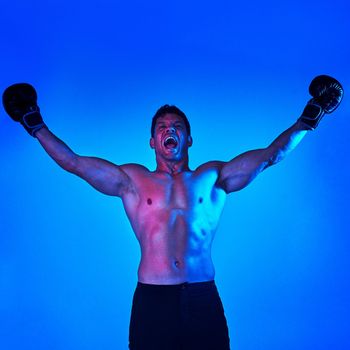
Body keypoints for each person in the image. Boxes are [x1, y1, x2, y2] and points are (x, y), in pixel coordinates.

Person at [2, 75, 343, 350]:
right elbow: (74, 163)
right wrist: (35, 124)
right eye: (162, 126)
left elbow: (270, 155)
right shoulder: (132, 181)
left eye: (177, 125)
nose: (170, 129)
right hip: (153, 299)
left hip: (201, 296)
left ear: (189, 138)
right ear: (152, 140)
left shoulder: (212, 177)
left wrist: (310, 116)